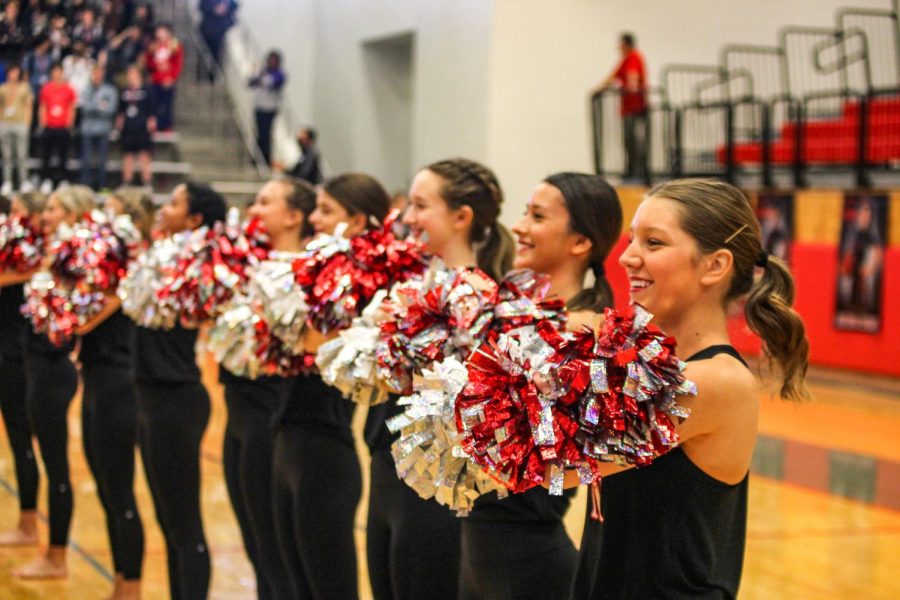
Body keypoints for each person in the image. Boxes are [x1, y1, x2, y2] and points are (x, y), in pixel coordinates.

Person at [571, 178, 810, 599]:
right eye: (631, 241)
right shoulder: (643, 362)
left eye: (654, 243)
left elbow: (561, 464)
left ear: (715, 266)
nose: (627, 257)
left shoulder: (712, 381)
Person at [457, 172, 623, 600]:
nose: (519, 226)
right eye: (524, 213)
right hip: (482, 550)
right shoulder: (511, 310)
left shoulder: (583, 332)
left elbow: (549, 458)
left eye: (537, 216)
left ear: (580, 243)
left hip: (525, 559)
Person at [364, 158, 514, 600]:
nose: (407, 218)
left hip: (433, 490)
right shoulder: (416, 286)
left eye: (419, 205)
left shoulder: (480, 299)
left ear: (461, 217)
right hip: (387, 470)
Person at [272, 173, 391, 600]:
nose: (315, 219)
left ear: (357, 222)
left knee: (330, 588)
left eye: (326, 211)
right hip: (289, 439)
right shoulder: (315, 270)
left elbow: (313, 341)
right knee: (296, 583)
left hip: (325, 450)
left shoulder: (364, 281)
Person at [218, 176, 314, 600]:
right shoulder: (248, 265)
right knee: (256, 546)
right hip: (237, 412)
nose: (254, 210)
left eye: (265, 202)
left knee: (275, 553)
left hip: (268, 416)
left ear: (294, 217)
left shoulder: (304, 277)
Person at [131, 182, 226, 599]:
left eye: (173, 203)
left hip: (177, 400)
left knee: (185, 524)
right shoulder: (160, 256)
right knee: (168, 522)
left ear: (194, 220)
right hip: (151, 398)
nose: (162, 209)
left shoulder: (195, 264)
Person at [74, 187, 154, 600]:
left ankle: (132, 587)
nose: (102, 218)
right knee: (106, 487)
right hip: (95, 379)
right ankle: (120, 581)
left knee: (119, 489)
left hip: (119, 382)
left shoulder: (132, 269)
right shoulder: (106, 266)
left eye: (111, 211)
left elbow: (84, 318)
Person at [13, 185, 95, 579]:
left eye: (53, 208)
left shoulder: (75, 259)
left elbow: (72, 317)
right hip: (36, 365)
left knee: (56, 464)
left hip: (53, 368)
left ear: (74, 213)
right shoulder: (50, 254)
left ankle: (57, 555)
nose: (45, 215)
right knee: (47, 460)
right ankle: (46, 543)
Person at [0, 190, 45, 549]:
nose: (11, 217)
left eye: (17, 211)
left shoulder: (36, 260)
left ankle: (29, 523)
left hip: (16, 358)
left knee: (21, 440)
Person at [592, 33, 648, 185]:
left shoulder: (634, 58)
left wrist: (631, 87)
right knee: (629, 140)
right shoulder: (626, 60)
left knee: (634, 140)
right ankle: (631, 170)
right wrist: (598, 89)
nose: (618, 48)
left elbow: (632, 77)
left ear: (626, 45)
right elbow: (612, 77)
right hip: (628, 108)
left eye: (620, 45)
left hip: (635, 107)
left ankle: (636, 171)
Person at [38, 63, 77, 192]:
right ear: (51, 73)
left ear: (62, 73)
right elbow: (43, 106)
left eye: (59, 71)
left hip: (62, 127)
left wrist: (69, 123)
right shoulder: (46, 89)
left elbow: (72, 107)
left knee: (63, 155)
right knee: (46, 155)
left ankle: (63, 180)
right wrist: (43, 122)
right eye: (55, 71)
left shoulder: (68, 89)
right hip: (49, 126)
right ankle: (46, 179)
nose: (57, 74)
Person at [116, 65, 156, 187]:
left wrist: (151, 120)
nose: (131, 77)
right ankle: (127, 182)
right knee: (127, 155)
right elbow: (120, 109)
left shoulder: (147, 90)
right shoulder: (124, 91)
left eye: (133, 74)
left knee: (144, 154)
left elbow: (152, 108)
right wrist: (120, 120)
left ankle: (147, 182)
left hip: (142, 126)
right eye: (129, 74)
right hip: (128, 127)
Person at [80, 65, 118, 190]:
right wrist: (100, 106)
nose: (97, 76)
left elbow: (111, 109)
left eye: (99, 73)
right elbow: (84, 108)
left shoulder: (109, 90)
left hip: (103, 129)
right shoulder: (86, 89)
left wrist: (94, 106)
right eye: (95, 73)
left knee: (102, 160)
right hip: (88, 129)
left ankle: (101, 185)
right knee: (86, 159)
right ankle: (86, 186)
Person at [0, 63, 34, 194]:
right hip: (5, 123)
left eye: (16, 71)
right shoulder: (2, 88)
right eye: (11, 71)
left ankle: (23, 181)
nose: (13, 74)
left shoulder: (24, 87)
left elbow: (29, 105)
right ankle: (7, 181)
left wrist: (27, 123)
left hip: (20, 123)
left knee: (22, 155)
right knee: (6, 156)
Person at [249, 50, 285, 167]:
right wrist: (259, 76)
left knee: (266, 134)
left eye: (273, 60)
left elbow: (272, 83)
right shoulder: (262, 71)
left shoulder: (279, 74)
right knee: (259, 134)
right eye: (270, 59)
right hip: (259, 107)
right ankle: (257, 158)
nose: (271, 62)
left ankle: (266, 158)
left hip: (270, 108)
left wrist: (261, 78)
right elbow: (251, 82)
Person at [145, 23, 183, 132]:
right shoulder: (153, 45)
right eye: (158, 31)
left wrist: (172, 78)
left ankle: (166, 125)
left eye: (162, 31)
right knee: (154, 103)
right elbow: (149, 62)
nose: (159, 33)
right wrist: (157, 65)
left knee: (167, 105)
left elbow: (177, 63)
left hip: (167, 80)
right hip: (155, 79)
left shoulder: (175, 45)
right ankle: (154, 125)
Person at [198, 0, 237, 81]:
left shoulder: (230, 3)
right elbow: (201, 6)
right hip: (206, 30)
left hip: (220, 32)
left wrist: (225, 10)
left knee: (217, 56)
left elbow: (234, 13)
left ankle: (213, 77)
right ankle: (200, 76)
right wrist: (214, 9)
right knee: (202, 54)